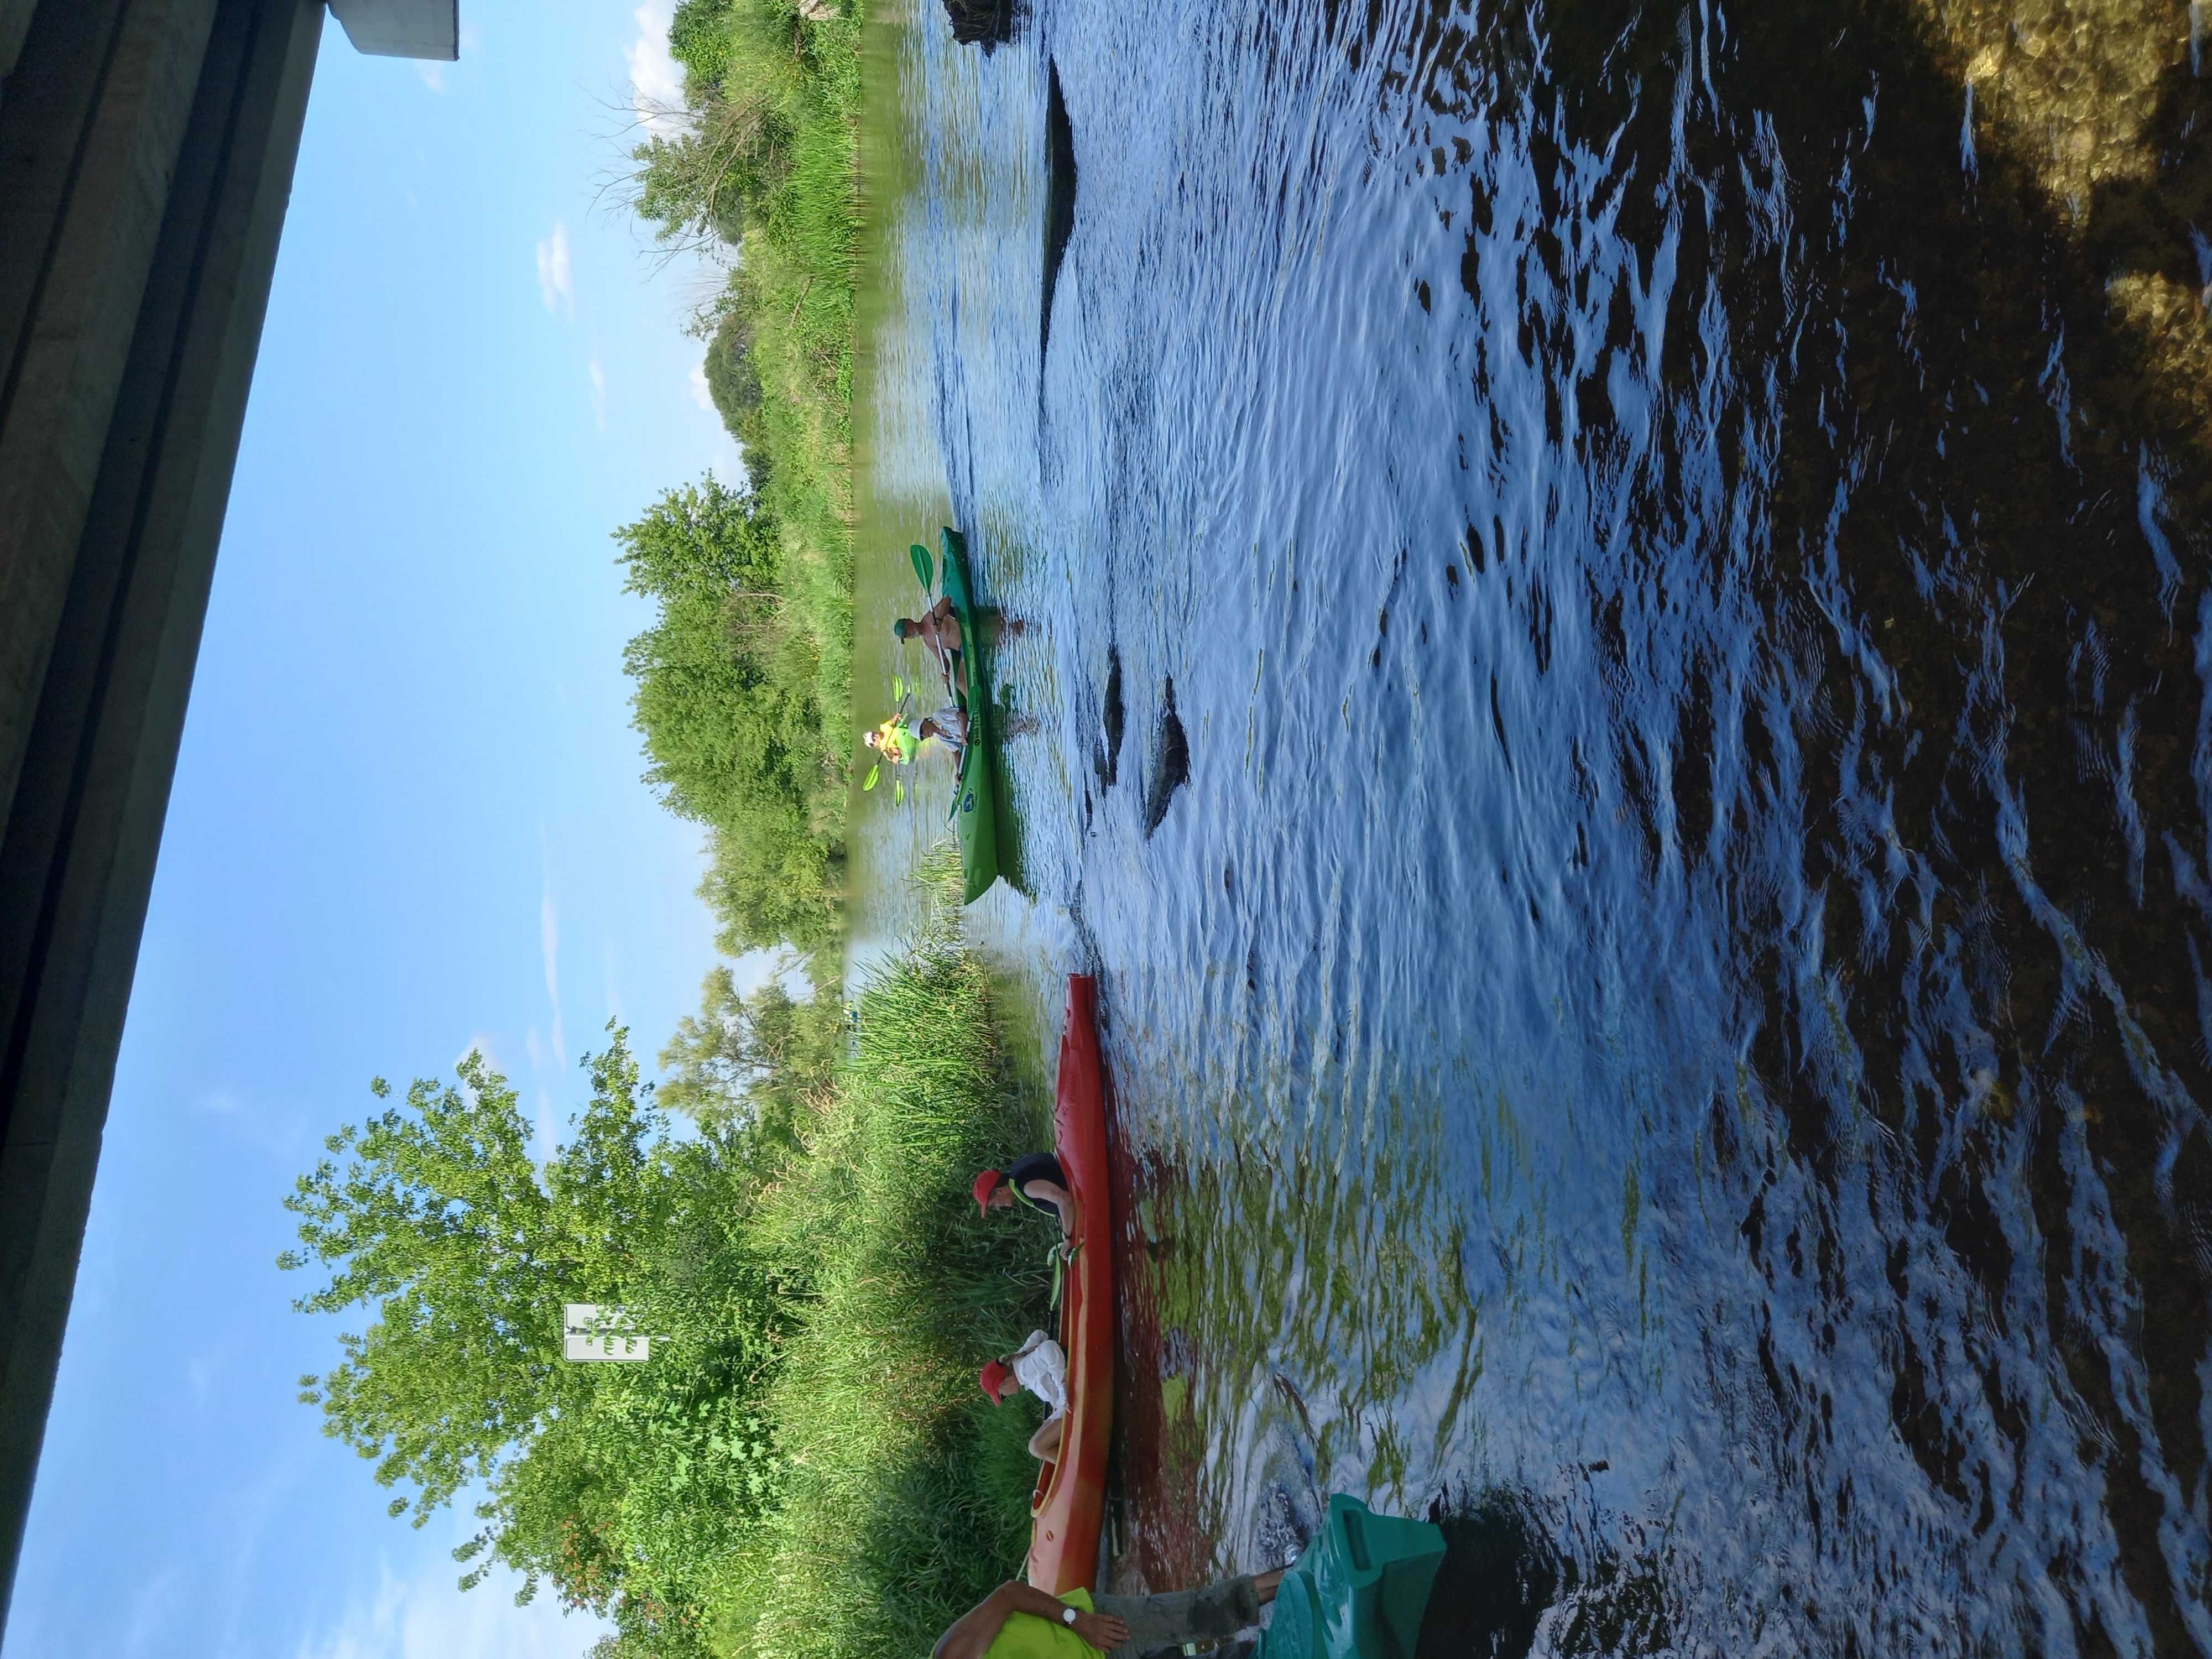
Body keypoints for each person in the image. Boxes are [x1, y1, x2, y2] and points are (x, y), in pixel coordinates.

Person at [929, 1567, 1286, 1659]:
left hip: (1095, 1631)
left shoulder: (949, 1655)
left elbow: (1007, 1595)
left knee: (1196, 1614)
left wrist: (1077, 1620)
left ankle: (1296, 1575)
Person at [980, 1329, 1068, 1462]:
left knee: (1037, 1448)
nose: (1006, 1397)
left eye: (1002, 1396)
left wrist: (1063, 1390)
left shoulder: (1024, 1370)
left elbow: (1048, 1348)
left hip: (1070, 1401)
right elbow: (1039, 1334)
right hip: (1064, 1404)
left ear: (1004, 1383)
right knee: (1038, 1441)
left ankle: (1082, 1469)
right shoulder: (1019, 1359)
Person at [973, 1153, 1072, 1234]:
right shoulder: (1017, 1171)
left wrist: (1067, 1238)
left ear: (1000, 1191)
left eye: (994, 1204)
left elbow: (1065, 1199)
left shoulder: (1026, 1187)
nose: (998, 1208)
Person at [895, 601, 968, 701]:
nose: (909, 635)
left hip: (966, 633)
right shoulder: (928, 642)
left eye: (906, 631)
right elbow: (943, 661)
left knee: (961, 683)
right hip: (965, 650)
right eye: (906, 636)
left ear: (909, 621)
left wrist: (938, 620)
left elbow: (947, 600)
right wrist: (945, 673)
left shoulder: (930, 618)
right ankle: (977, 711)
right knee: (960, 683)